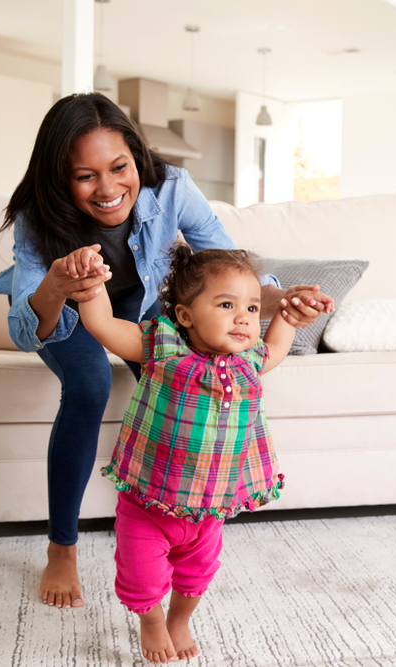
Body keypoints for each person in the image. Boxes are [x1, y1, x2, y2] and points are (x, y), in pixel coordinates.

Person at [0, 93, 333, 609]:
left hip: (145, 301)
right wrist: (59, 285)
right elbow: (27, 328)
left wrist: (285, 299)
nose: (108, 189)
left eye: (118, 167)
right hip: (70, 304)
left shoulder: (171, 186)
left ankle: (167, 524)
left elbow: (226, 268)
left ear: (136, 156)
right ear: (61, 178)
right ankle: (62, 546)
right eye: (86, 176)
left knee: (191, 374)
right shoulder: (36, 216)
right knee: (90, 384)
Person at [77, 243, 296, 663]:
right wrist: (91, 287)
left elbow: (279, 347)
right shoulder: (163, 349)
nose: (243, 317)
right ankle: (153, 621)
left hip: (209, 510)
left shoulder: (248, 361)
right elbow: (103, 325)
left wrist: (287, 314)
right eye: (227, 304)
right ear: (184, 315)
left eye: (252, 309)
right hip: (148, 504)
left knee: (197, 576)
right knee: (141, 579)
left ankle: (179, 620)